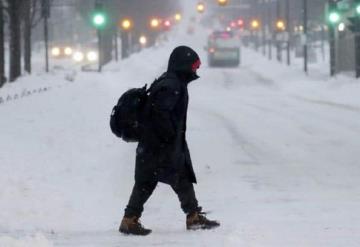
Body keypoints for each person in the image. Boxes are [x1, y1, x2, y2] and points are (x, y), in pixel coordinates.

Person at [119, 46, 220, 235]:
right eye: (194, 65)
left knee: (151, 181)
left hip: (153, 145)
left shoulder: (171, 82)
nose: (195, 70)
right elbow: (159, 112)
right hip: (160, 145)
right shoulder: (171, 85)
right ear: (183, 65)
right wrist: (170, 136)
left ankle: (130, 219)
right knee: (176, 176)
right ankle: (192, 216)